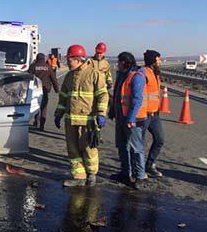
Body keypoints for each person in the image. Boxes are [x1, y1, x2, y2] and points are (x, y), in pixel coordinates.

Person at [55, 45, 109, 187]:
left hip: (88, 120)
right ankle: (79, 176)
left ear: (78, 59)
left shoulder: (94, 74)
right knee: (72, 148)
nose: (67, 62)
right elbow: (63, 97)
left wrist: (101, 114)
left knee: (88, 148)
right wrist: (58, 113)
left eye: (69, 60)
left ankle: (91, 175)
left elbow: (103, 95)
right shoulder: (69, 76)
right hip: (70, 119)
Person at [109, 52, 148, 190]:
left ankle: (139, 176)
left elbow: (137, 100)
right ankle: (125, 173)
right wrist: (112, 111)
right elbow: (118, 96)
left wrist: (131, 118)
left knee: (136, 149)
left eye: (119, 62)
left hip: (133, 119)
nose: (117, 64)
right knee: (122, 146)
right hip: (121, 118)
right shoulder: (121, 76)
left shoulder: (137, 77)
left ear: (125, 62)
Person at [142, 50, 164, 177]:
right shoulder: (144, 73)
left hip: (155, 114)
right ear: (152, 61)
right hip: (144, 114)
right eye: (158, 59)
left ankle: (149, 165)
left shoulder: (156, 73)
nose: (160, 62)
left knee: (160, 139)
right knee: (138, 143)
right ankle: (136, 169)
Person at [29, 53, 60, 131]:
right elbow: (54, 79)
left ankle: (36, 121)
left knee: (35, 106)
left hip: (34, 90)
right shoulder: (48, 67)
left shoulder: (33, 67)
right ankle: (42, 125)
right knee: (43, 108)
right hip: (45, 89)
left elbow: (28, 78)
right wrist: (57, 89)